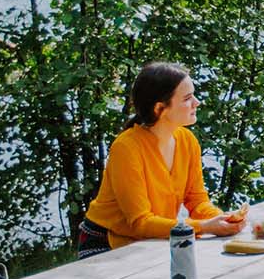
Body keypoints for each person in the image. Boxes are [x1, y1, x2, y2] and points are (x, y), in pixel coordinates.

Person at [76, 62, 245, 259]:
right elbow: (140, 222)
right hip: (107, 243)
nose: (196, 103)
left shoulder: (187, 141)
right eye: (187, 98)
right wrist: (204, 227)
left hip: (151, 240)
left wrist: (222, 219)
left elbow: (197, 201)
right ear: (160, 108)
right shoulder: (127, 147)